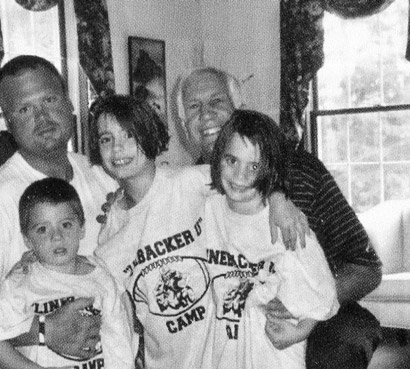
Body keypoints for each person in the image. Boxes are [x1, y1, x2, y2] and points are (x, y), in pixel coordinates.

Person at [177, 66, 383, 369]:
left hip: (326, 313)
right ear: (184, 125)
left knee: (332, 352)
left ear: (239, 109)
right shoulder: (191, 189)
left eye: (216, 102)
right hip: (240, 316)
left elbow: (367, 269)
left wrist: (297, 303)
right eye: (194, 107)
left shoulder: (302, 170)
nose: (206, 115)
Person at [89, 95, 307, 369]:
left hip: (232, 354)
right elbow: (126, 315)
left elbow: (253, 174)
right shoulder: (110, 232)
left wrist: (278, 197)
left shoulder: (194, 181)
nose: (118, 148)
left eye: (129, 135)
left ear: (148, 134)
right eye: (106, 139)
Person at [0, 55, 117, 359]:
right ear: (9, 124)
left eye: (49, 100)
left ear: (70, 104)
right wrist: (43, 330)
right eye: (25, 109)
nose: (42, 117)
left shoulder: (101, 175)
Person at [202, 110, 339, 369]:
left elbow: (326, 293)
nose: (240, 177)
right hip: (226, 353)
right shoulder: (209, 208)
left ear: (269, 169)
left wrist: (302, 331)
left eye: (253, 166)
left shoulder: (286, 223)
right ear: (218, 157)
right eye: (232, 161)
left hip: (274, 354)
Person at [0, 177, 134, 369]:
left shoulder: (101, 276)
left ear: (82, 228)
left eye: (66, 224)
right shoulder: (20, 281)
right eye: (42, 229)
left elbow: (120, 346)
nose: (56, 236)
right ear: (27, 240)